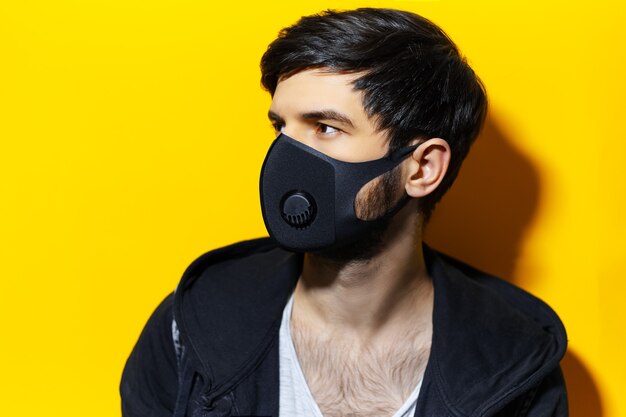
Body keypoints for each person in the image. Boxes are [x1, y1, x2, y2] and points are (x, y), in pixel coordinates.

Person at [120, 8, 568, 417]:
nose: (286, 156)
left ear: (423, 168)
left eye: (326, 128)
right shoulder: (192, 325)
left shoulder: (517, 367)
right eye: (281, 127)